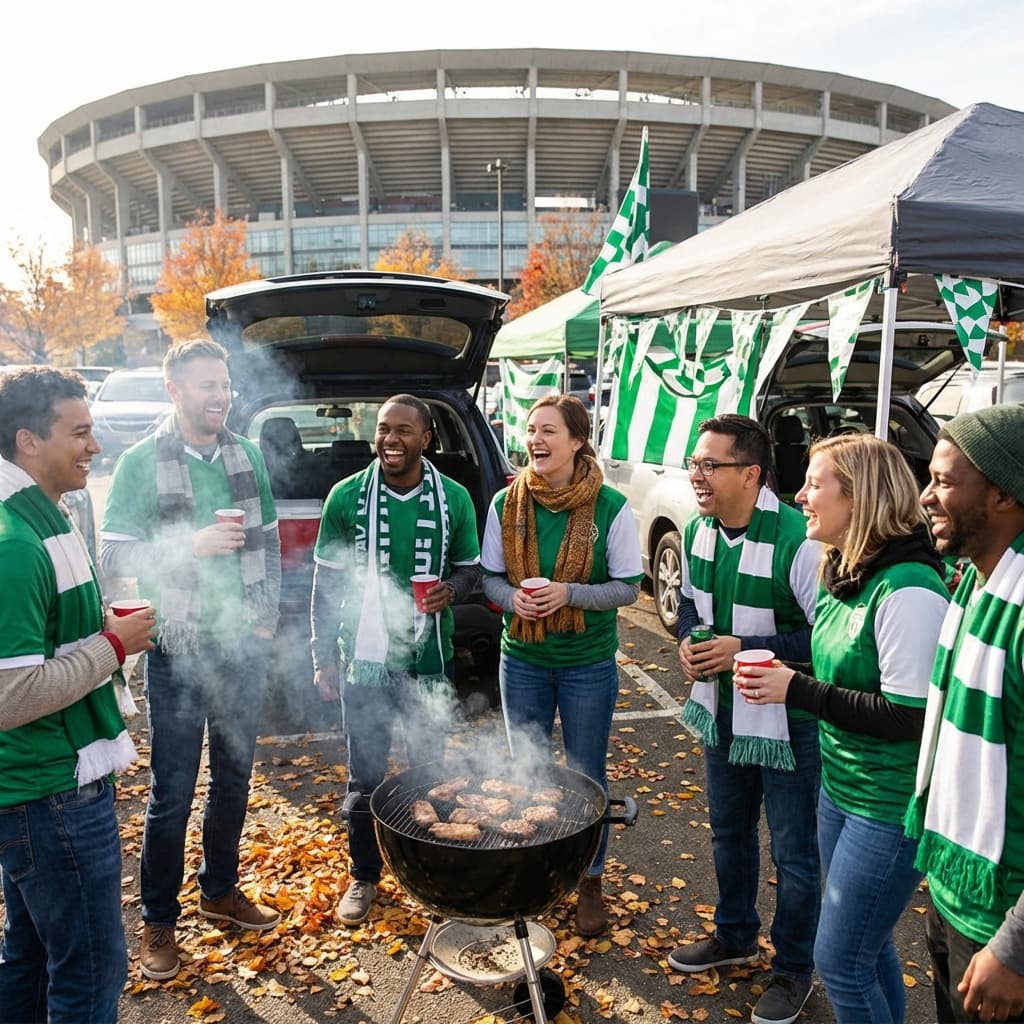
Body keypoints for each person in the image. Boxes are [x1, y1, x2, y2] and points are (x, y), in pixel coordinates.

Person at [733, 433, 949, 1024]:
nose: (800, 495)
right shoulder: (844, 568)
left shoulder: (907, 588)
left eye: (814, 483)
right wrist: (789, 672)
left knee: (839, 961)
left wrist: (796, 689)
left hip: (889, 804)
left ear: (861, 497)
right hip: (842, 789)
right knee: (867, 947)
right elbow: (845, 674)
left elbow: (909, 716)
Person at [99, 340, 282, 982]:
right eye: (206, 386)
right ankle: (158, 920)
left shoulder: (246, 454)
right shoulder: (139, 463)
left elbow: (269, 542)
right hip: (175, 649)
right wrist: (190, 545)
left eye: (225, 385)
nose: (220, 397)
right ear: (175, 391)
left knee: (234, 782)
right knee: (172, 795)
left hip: (239, 648)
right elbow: (114, 557)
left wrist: (264, 621)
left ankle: (220, 890)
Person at [0, 367, 155, 1023]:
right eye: (81, 433)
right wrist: (114, 647)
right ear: (28, 441)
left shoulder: (43, 515)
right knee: (90, 976)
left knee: (31, 960)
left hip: (43, 791)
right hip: (50, 795)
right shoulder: (15, 545)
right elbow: (9, 696)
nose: (95, 447)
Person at [668, 414, 822, 1024]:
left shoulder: (799, 539)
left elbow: (825, 639)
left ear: (751, 474)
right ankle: (734, 936)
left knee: (795, 854)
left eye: (712, 465)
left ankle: (794, 970)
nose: (697, 475)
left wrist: (748, 646)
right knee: (728, 834)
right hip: (722, 712)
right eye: (695, 464)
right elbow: (685, 606)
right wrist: (685, 640)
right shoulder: (698, 529)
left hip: (790, 724)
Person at [311, 394, 481, 926]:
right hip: (363, 661)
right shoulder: (344, 497)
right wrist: (322, 658)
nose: (391, 440)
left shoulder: (453, 498)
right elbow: (325, 584)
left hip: (428, 659)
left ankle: (430, 870)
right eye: (384, 429)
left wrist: (449, 592)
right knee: (364, 776)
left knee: (431, 772)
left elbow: (470, 570)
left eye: (404, 430)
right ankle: (364, 875)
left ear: (426, 439)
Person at [480, 394, 643, 937]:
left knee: (584, 774)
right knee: (523, 772)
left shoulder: (612, 507)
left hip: (586, 663)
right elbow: (490, 579)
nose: (537, 441)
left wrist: (567, 592)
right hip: (522, 658)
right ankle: (531, 871)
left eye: (549, 431)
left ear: (577, 441)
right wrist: (512, 601)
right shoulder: (507, 503)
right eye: (531, 430)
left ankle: (589, 879)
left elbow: (627, 588)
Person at [906, 403, 1024, 1024]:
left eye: (945, 482)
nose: (926, 496)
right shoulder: (977, 580)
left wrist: (1016, 946)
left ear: (1004, 494)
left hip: (1005, 923)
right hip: (957, 891)